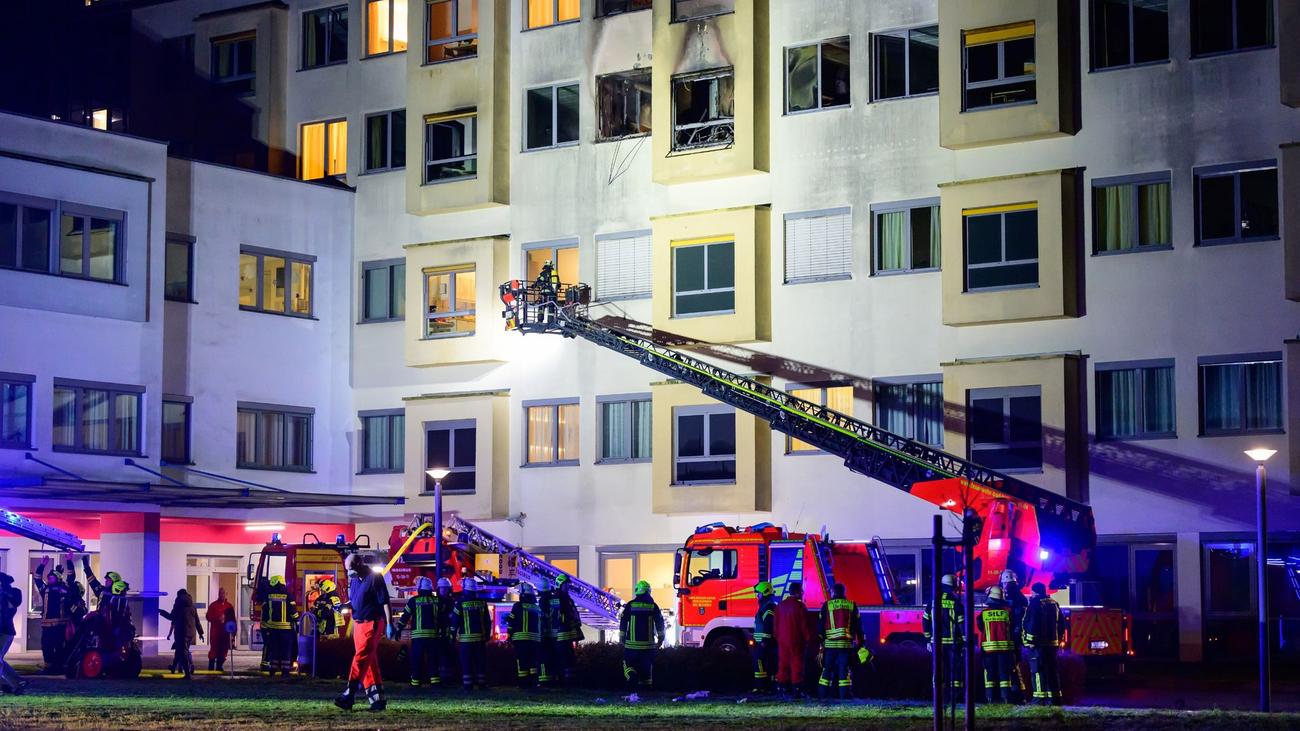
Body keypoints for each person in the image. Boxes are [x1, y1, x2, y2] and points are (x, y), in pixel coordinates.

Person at [336, 553, 391, 712]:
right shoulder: (355, 580)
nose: (349, 572)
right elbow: (355, 600)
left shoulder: (375, 578)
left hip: (372, 623)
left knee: (360, 658)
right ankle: (377, 700)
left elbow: (385, 601)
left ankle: (349, 693)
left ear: (359, 564)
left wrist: (389, 624)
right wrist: (345, 605)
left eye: (351, 568)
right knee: (369, 660)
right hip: (359, 624)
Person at [393, 576, 443, 688]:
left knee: (417, 659)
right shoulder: (437, 601)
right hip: (433, 636)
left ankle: (415, 683)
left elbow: (405, 616)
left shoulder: (413, 601)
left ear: (419, 588)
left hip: (418, 637)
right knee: (433, 659)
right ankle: (435, 682)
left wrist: (398, 630)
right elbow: (443, 619)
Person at [923, 574, 965, 705]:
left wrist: (928, 639)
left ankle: (938, 697)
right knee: (955, 670)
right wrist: (965, 641)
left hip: (936, 643)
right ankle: (955, 697)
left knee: (938, 670)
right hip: (953, 643)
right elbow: (961, 624)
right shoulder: (956, 602)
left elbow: (925, 621)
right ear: (954, 586)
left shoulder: (933, 601)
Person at [818, 582, 862, 700]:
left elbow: (820, 627)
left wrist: (822, 640)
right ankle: (844, 696)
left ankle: (822, 696)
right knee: (844, 671)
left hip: (829, 645)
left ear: (833, 592)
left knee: (827, 670)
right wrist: (861, 643)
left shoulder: (827, 605)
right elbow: (858, 626)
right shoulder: (851, 605)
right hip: (845, 646)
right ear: (844, 592)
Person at [1023, 582, 1064, 705]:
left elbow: (1032, 622)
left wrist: (1030, 640)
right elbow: (1061, 624)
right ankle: (1055, 699)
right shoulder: (1054, 603)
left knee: (1038, 671)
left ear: (1034, 592)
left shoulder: (1035, 603)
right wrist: (1058, 639)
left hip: (1038, 645)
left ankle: (1039, 699)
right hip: (1053, 644)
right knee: (1052, 671)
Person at [619, 580, 664, 689]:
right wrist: (661, 638)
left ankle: (631, 676)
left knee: (628, 664)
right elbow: (660, 623)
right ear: (648, 591)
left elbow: (623, 622)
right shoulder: (653, 606)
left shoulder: (630, 605)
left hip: (631, 646)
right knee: (646, 669)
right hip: (648, 647)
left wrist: (622, 638)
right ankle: (646, 689)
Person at [539, 574, 581, 686]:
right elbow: (553, 616)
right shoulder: (556, 599)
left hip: (567, 635)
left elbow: (573, 615)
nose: (567, 586)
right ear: (559, 584)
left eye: (568, 584)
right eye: (565, 584)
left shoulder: (567, 599)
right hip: (559, 635)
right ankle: (564, 682)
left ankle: (569, 682)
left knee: (569, 659)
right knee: (563, 659)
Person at [977, 586, 1017, 703]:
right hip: (1005, 650)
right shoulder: (1008, 612)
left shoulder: (984, 614)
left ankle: (990, 698)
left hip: (988, 650)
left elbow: (981, 628)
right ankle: (1005, 698)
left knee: (990, 674)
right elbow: (1013, 628)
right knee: (1004, 674)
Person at [451, 577, 490, 691]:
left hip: (466, 641)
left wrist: (452, 636)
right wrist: (487, 635)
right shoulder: (482, 603)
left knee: (466, 663)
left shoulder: (460, 603)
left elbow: (455, 621)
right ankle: (482, 684)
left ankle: (468, 685)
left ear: (465, 589)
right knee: (480, 663)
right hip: (480, 639)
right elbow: (487, 621)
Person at [774, 581, 812, 698]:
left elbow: (776, 624)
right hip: (796, 640)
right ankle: (797, 691)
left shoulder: (780, 605)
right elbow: (804, 625)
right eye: (801, 591)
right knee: (796, 664)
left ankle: (781, 689)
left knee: (783, 664)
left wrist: (778, 637)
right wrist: (808, 639)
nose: (803, 593)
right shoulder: (800, 606)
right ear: (797, 592)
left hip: (782, 640)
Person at [32, 557, 71, 670]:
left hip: (60, 625)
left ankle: (58, 666)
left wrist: (69, 561)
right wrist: (42, 565)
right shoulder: (45, 589)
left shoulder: (64, 588)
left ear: (57, 578)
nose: (49, 579)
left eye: (52, 578)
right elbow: (37, 579)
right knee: (46, 646)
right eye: (49, 578)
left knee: (59, 646)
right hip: (47, 625)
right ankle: (48, 665)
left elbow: (71, 578)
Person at [259, 575, 299, 679]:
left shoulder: (268, 595)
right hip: (286, 630)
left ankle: (273, 670)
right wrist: (297, 621)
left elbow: (265, 611)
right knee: (286, 651)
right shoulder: (287, 594)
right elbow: (293, 611)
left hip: (272, 629)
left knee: (275, 650)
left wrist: (265, 626)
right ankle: (285, 672)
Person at [160, 588, 204, 679]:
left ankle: (187, 674)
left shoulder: (178, 604)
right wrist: (200, 633)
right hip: (191, 632)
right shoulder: (192, 606)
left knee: (183, 652)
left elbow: (172, 617)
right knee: (181, 650)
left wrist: (162, 612)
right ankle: (174, 667)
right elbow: (197, 621)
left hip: (182, 632)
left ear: (179, 595)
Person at [505, 583, 542, 687]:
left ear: (523, 594)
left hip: (520, 638)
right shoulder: (536, 607)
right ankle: (533, 683)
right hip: (535, 639)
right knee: (533, 662)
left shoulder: (517, 606)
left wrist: (509, 634)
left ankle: (523, 683)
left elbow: (511, 621)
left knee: (522, 661)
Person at [1000, 569, 1029, 703]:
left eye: (1004, 583)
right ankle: (1019, 694)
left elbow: (1015, 616)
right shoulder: (1020, 596)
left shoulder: (1011, 597)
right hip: (1016, 636)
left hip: (1012, 636)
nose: (1003, 586)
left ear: (1006, 583)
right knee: (1015, 665)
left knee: (1012, 666)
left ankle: (1016, 695)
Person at [751, 581, 779, 695]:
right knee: (767, 663)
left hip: (765, 642)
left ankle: (761, 687)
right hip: (763, 641)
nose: (757, 596)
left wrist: (764, 641)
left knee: (760, 662)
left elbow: (768, 625)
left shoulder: (768, 607)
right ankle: (766, 687)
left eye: (758, 593)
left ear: (764, 593)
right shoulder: (766, 606)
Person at [0, 572, 26, 695]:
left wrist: (4, 592)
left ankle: (5, 685)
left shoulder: (13, 593)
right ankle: (17, 682)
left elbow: (14, 604)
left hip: (5, 631)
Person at [206, 586, 236, 671]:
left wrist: (233, 634)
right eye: (220, 593)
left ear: (226, 594)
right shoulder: (213, 605)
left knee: (223, 650)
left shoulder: (229, 606)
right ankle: (211, 667)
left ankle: (219, 666)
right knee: (214, 649)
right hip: (215, 633)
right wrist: (217, 618)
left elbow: (233, 620)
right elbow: (208, 617)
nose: (221, 595)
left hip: (225, 633)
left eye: (223, 593)